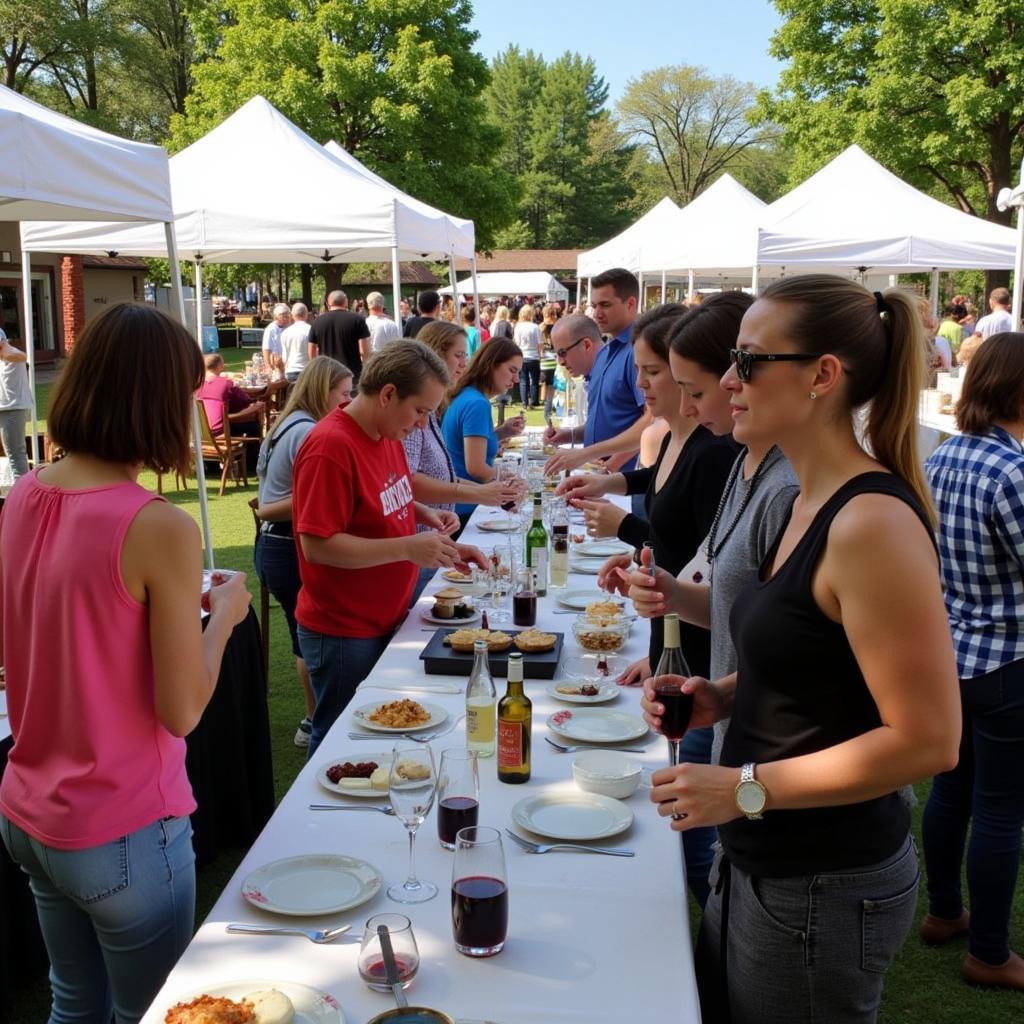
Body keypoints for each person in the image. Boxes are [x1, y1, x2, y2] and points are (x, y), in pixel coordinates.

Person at [637, 276, 960, 1024]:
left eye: (748, 363)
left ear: (822, 375)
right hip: (764, 859)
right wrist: (724, 694)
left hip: (822, 878)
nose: (725, 383)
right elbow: (818, 662)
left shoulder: (868, 520)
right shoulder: (807, 498)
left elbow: (929, 740)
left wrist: (745, 786)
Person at [0, 302, 252, 1023]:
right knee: (157, 1012)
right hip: (121, 824)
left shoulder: (25, 493)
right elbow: (182, 710)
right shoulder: (156, 525)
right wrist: (226, 618)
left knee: (74, 1005)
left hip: (31, 807)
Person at [559, 303, 738, 908]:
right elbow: (662, 490)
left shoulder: (718, 450)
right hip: (685, 653)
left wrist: (625, 531)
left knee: (690, 818)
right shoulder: (691, 438)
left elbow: (698, 552)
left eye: (657, 374)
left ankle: (694, 898)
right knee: (685, 809)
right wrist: (619, 491)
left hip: (702, 661)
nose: (646, 387)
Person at [291, 340, 488, 755]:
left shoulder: (385, 433)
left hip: (384, 616)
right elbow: (318, 545)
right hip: (344, 628)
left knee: (382, 734)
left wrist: (424, 518)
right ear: (387, 394)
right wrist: (406, 548)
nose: (421, 424)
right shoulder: (330, 445)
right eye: (420, 411)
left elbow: (387, 490)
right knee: (339, 740)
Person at [921, 332, 1024, 991]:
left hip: (950, 652)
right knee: (997, 808)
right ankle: (988, 952)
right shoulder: (1011, 472)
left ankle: (943, 911)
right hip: (1007, 661)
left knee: (951, 789)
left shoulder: (942, 456)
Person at [255, 356, 353, 748]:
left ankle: (312, 718)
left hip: (273, 544)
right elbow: (276, 503)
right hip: (283, 544)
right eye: (342, 394)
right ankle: (312, 721)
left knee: (303, 636)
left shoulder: (288, 422)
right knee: (306, 639)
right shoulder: (308, 431)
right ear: (321, 391)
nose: (347, 403)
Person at [403, 321, 520, 599]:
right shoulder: (423, 413)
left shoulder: (435, 410)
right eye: (458, 355)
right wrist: (481, 491)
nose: (463, 363)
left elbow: (440, 471)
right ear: (434, 355)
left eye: (465, 356)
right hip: (422, 540)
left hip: (437, 530)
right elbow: (408, 479)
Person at [544, 268, 649, 473]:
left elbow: (652, 420)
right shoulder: (605, 352)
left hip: (623, 482)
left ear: (630, 304)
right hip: (598, 477)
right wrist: (568, 434)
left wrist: (609, 467)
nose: (596, 313)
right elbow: (607, 421)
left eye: (605, 305)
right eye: (594, 305)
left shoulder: (638, 352)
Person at [440, 337, 525, 529]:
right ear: (491, 364)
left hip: (458, 504)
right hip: (464, 510)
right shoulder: (477, 403)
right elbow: (476, 468)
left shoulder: (467, 395)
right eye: (512, 370)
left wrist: (502, 432)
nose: (516, 379)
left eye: (518, 373)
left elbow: (465, 447)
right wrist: (513, 480)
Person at [308, 290, 371, 383]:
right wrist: (366, 367)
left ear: (328, 304)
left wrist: (316, 370)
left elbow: (311, 350)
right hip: (352, 374)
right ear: (346, 302)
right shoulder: (357, 320)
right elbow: (363, 350)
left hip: (327, 374)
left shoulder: (317, 321)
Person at [0, 327, 31, 481]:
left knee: (15, 456)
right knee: (14, 455)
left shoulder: (12, 354)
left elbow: (21, 356)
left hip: (12, 411)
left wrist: (4, 346)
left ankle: (22, 499)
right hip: (6, 409)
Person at [514, 304, 542, 408]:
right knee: (534, 380)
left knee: (523, 380)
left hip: (522, 355)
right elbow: (540, 343)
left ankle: (524, 402)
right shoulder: (535, 327)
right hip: (533, 356)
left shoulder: (518, 327)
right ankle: (534, 401)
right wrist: (540, 355)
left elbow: (516, 343)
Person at [280, 302, 312, 382]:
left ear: (292, 316)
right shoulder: (311, 330)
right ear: (306, 314)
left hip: (291, 373)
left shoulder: (285, 333)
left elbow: (285, 358)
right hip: (307, 372)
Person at [539, 303, 560, 419]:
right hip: (555, 359)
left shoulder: (540, 327)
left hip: (544, 360)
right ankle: (549, 409)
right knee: (553, 386)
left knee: (545, 384)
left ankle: (546, 409)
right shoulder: (557, 326)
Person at [261, 302, 291, 371]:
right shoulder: (270, 329)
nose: (287, 319)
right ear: (276, 317)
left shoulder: (290, 327)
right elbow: (266, 348)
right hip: (275, 363)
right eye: (284, 317)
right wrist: (268, 365)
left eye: (287, 316)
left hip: (289, 363)